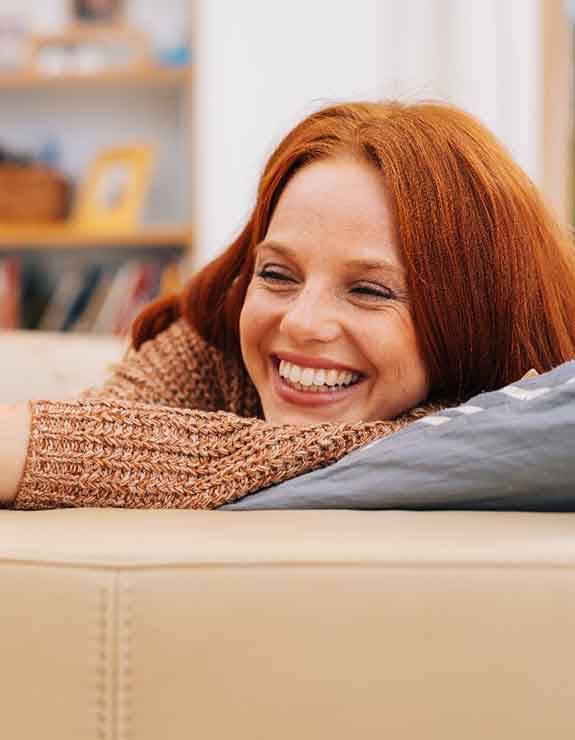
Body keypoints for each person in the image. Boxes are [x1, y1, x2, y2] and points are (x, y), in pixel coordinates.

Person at [1, 99, 574, 510]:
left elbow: (415, 450)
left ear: (477, 311)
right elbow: (112, 428)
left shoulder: (531, 410)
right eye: (277, 274)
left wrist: (39, 447)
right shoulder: (212, 341)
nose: (299, 322)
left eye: (369, 289)